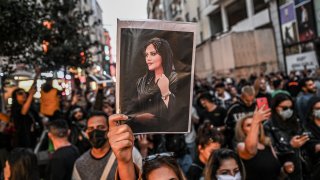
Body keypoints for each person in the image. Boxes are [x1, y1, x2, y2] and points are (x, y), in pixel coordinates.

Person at [128, 37, 178, 133]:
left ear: (164, 55)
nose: (148, 59)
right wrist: (138, 118)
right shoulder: (141, 82)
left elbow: (177, 112)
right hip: (144, 133)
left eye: (153, 54)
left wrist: (165, 92)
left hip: (167, 133)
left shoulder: (174, 78)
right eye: (146, 55)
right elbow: (133, 108)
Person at [72, 112, 142, 180]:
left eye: (101, 127)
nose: (95, 132)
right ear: (86, 133)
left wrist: (125, 163)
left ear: (109, 130)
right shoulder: (80, 164)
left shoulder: (128, 151)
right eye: (91, 128)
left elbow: (142, 175)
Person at [235, 109, 291, 180]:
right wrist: (255, 121)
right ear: (242, 130)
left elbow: (276, 172)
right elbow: (251, 150)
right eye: (249, 125)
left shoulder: (267, 144)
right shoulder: (241, 146)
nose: (254, 126)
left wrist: (285, 169)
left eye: (257, 124)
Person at [264, 93, 310, 180]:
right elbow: (271, 151)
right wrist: (290, 146)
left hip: (301, 167)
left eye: (291, 108)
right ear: (275, 107)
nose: (288, 111)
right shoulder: (268, 126)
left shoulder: (296, 121)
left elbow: (306, 135)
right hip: (283, 170)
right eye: (284, 108)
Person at [11, 84, 41, 148]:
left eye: (24, 93)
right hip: (22, 140)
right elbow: (23, 112)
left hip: (32, 137)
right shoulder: (15, 108)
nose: (24, 94)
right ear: (15, 97)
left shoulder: (30, 108)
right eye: (20, 93)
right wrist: (31, 95)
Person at [304, 96, 320, 179]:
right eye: (317, 108)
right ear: (311, 110)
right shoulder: (306, 128)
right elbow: (314, 147)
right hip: (315, 169)